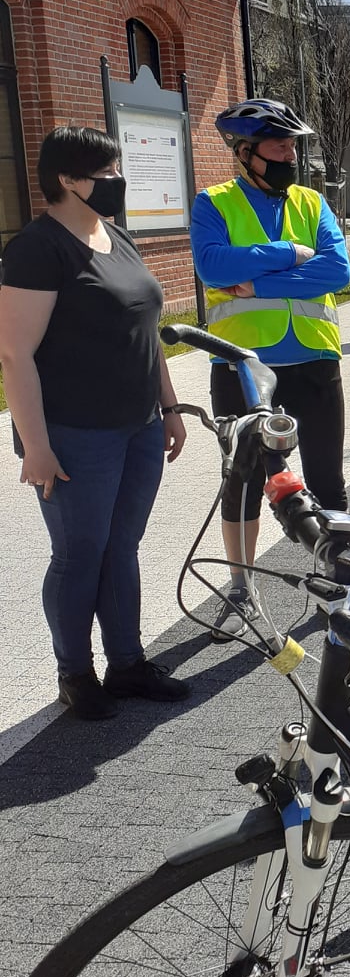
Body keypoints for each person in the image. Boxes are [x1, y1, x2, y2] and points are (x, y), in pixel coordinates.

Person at [0, 127, 189, 718]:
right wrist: (36, 446)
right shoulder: (38, 247)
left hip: (137, 426)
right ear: (65, 180)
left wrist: (170, 405)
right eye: (104, 173)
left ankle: (127, 664)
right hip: (73, 434)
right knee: (80, 552)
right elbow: (15, 354)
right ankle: (75, 673)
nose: (115, 182)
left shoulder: (116, 237)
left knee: (121, 547)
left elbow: (145, 331)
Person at [190, 98, 350, 639]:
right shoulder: (212, 203)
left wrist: (257, 281)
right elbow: (212, 265)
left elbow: (337, 271)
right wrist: (289, 252)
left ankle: (342, 577)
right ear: (246, 153)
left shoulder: (311, 201)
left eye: (292, 145)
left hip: (314, 358)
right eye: (280, 146)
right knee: (243, 481)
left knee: (328, 476)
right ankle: (240, 587)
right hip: (242, 365)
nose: (291, 154)